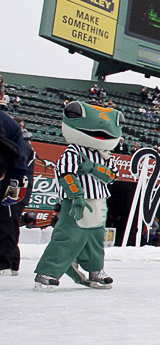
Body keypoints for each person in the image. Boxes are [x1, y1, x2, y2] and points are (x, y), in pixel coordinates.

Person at [34, 101, 122, 291]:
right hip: (78, 201)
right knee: (68, 235)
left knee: (95, 238)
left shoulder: (107, 155)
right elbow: (66, 174)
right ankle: (47, 272)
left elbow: (112, 176)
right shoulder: (74, 151)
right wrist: (77, 196)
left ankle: (95, 270)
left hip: (99, 200)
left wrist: (94, 168)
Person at [0, 109, 31, 276]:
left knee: (7, 225)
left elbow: (21, 165)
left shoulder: (24, 144)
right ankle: (9, 263)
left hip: (9, 185)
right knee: (7, 225)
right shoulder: (13, 129)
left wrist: (14, 186)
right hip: (9, 184)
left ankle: (8, 263)